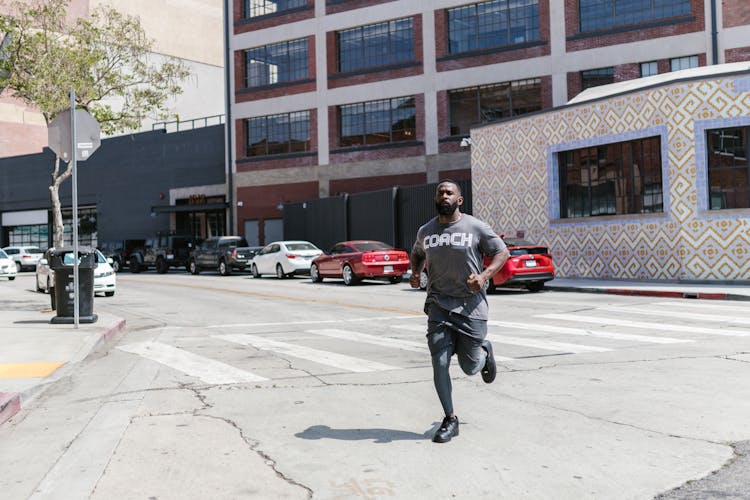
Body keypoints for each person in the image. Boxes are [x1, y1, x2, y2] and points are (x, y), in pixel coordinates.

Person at [409, 180, 510, 443]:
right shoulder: (426, 231)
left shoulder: (475, 227)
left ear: (459, 200)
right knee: (439, 363)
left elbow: (502, 252)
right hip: (439, 306)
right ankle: (450, 418)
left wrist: (485, 275)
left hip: (471, 307)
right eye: (440, 192)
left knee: (469, 367)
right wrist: (415, 271)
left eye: (449, 192)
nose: (444, 195)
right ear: (435, 198)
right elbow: (417, 253)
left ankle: (484, 351)